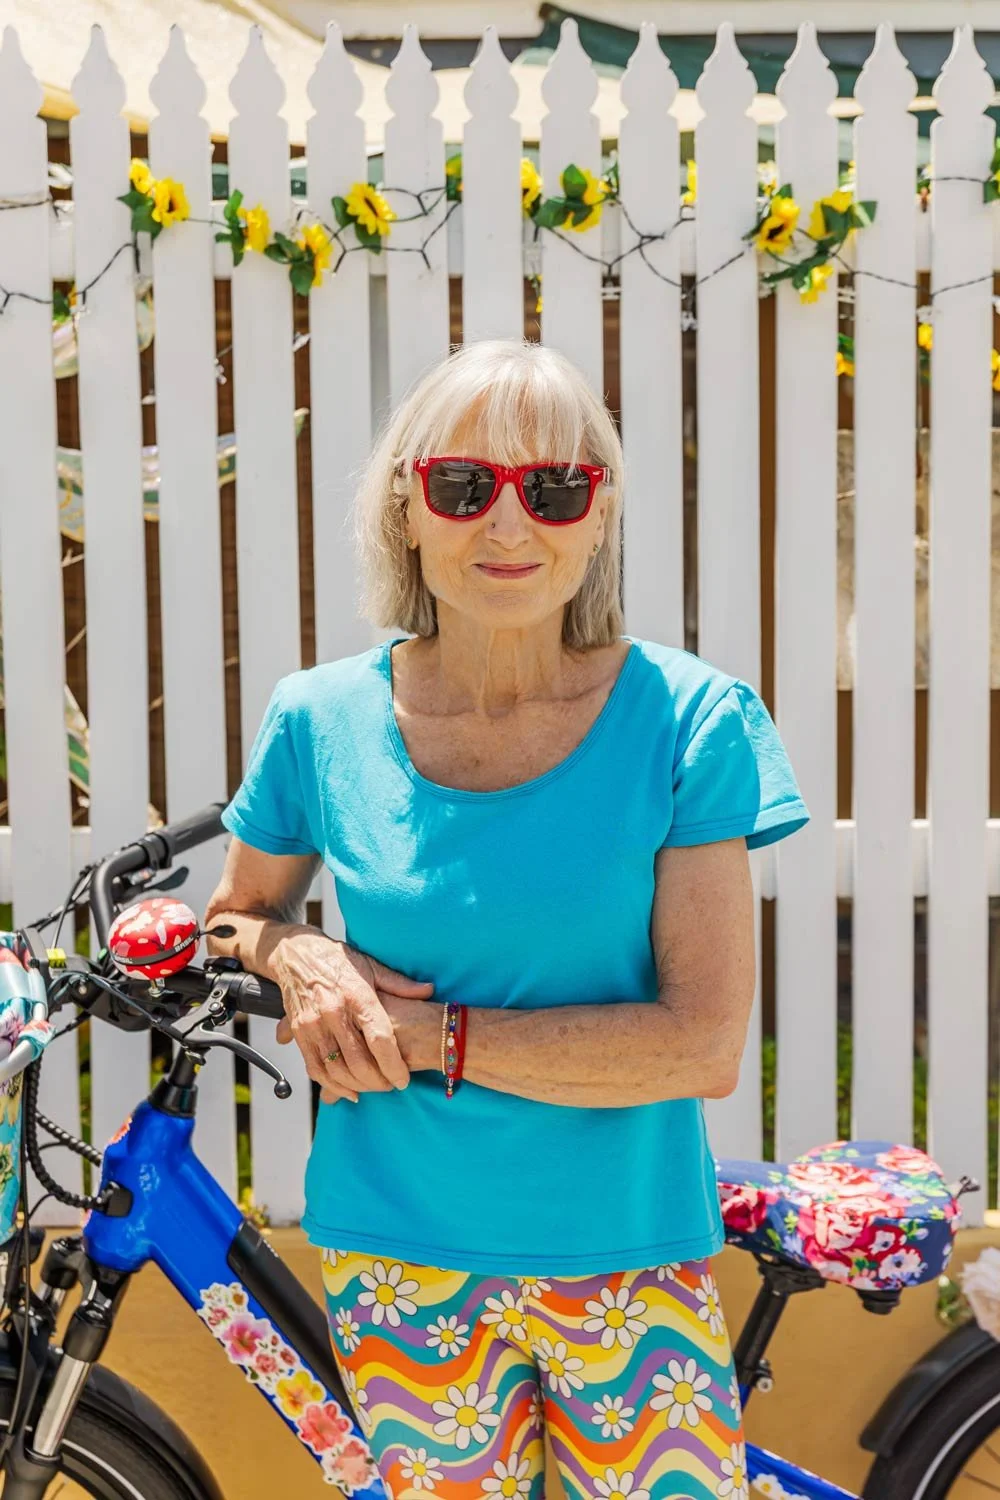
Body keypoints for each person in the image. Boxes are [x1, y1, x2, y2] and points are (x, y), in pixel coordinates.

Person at [203, 337, 810, 1500]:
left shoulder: (689, 721)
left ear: (597, 516)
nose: (509, 525)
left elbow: (701, 1044)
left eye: (554, 489)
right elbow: (234, 920)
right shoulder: (317, 719)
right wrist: (306, 955)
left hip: (626, 1255)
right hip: (395, 1257)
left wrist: (433, 1042)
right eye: (467, 486)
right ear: (409, 505)